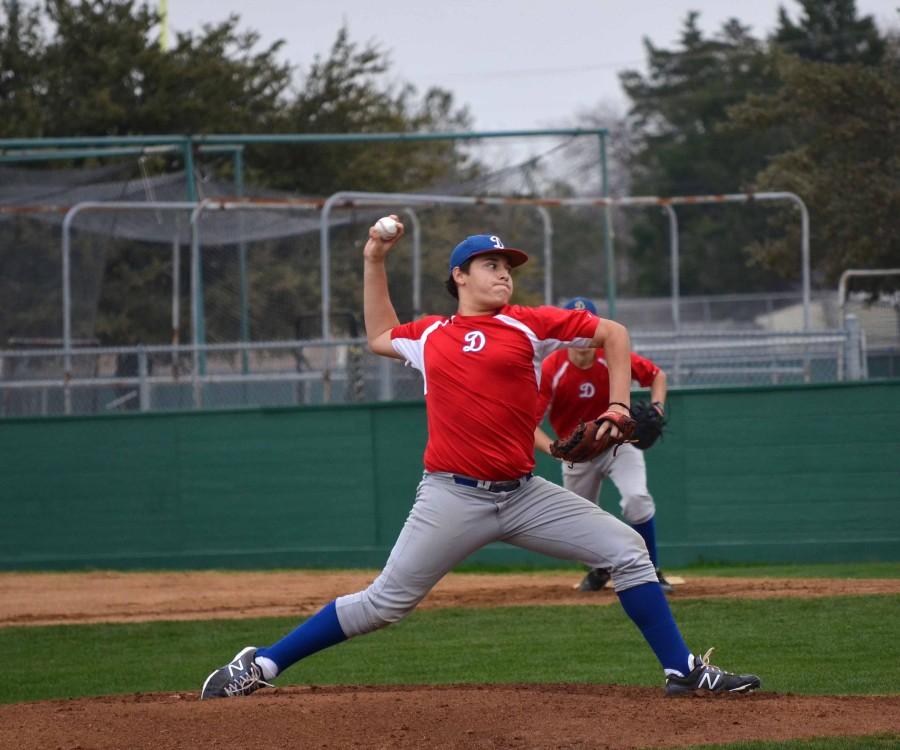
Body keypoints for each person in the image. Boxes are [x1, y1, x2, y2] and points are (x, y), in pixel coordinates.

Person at [200, 219, 760, 699]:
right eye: (488, 263)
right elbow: (377, 335)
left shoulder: (528, 323)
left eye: (506, 264)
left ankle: (682, 672)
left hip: (523, 494)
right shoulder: (432, 335)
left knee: (629, 551)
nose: (502, 272)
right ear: (459, 278)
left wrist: (617, 404)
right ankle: (261, 664)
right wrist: (374, 257)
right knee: (384, 605)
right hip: (452, 496)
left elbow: (613, 333)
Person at [534, 296, 673, 594]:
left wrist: (658, 408)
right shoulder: (551, 369)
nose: (580, 332)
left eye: (586, 324)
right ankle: (600, 569)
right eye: (573, 324)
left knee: (637, 499)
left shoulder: (611, 355)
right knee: (577, 521)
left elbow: (657, 375)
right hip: (578, 452)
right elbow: (528, 424)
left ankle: (650, 570)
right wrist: (556, 449)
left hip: (617, 443)